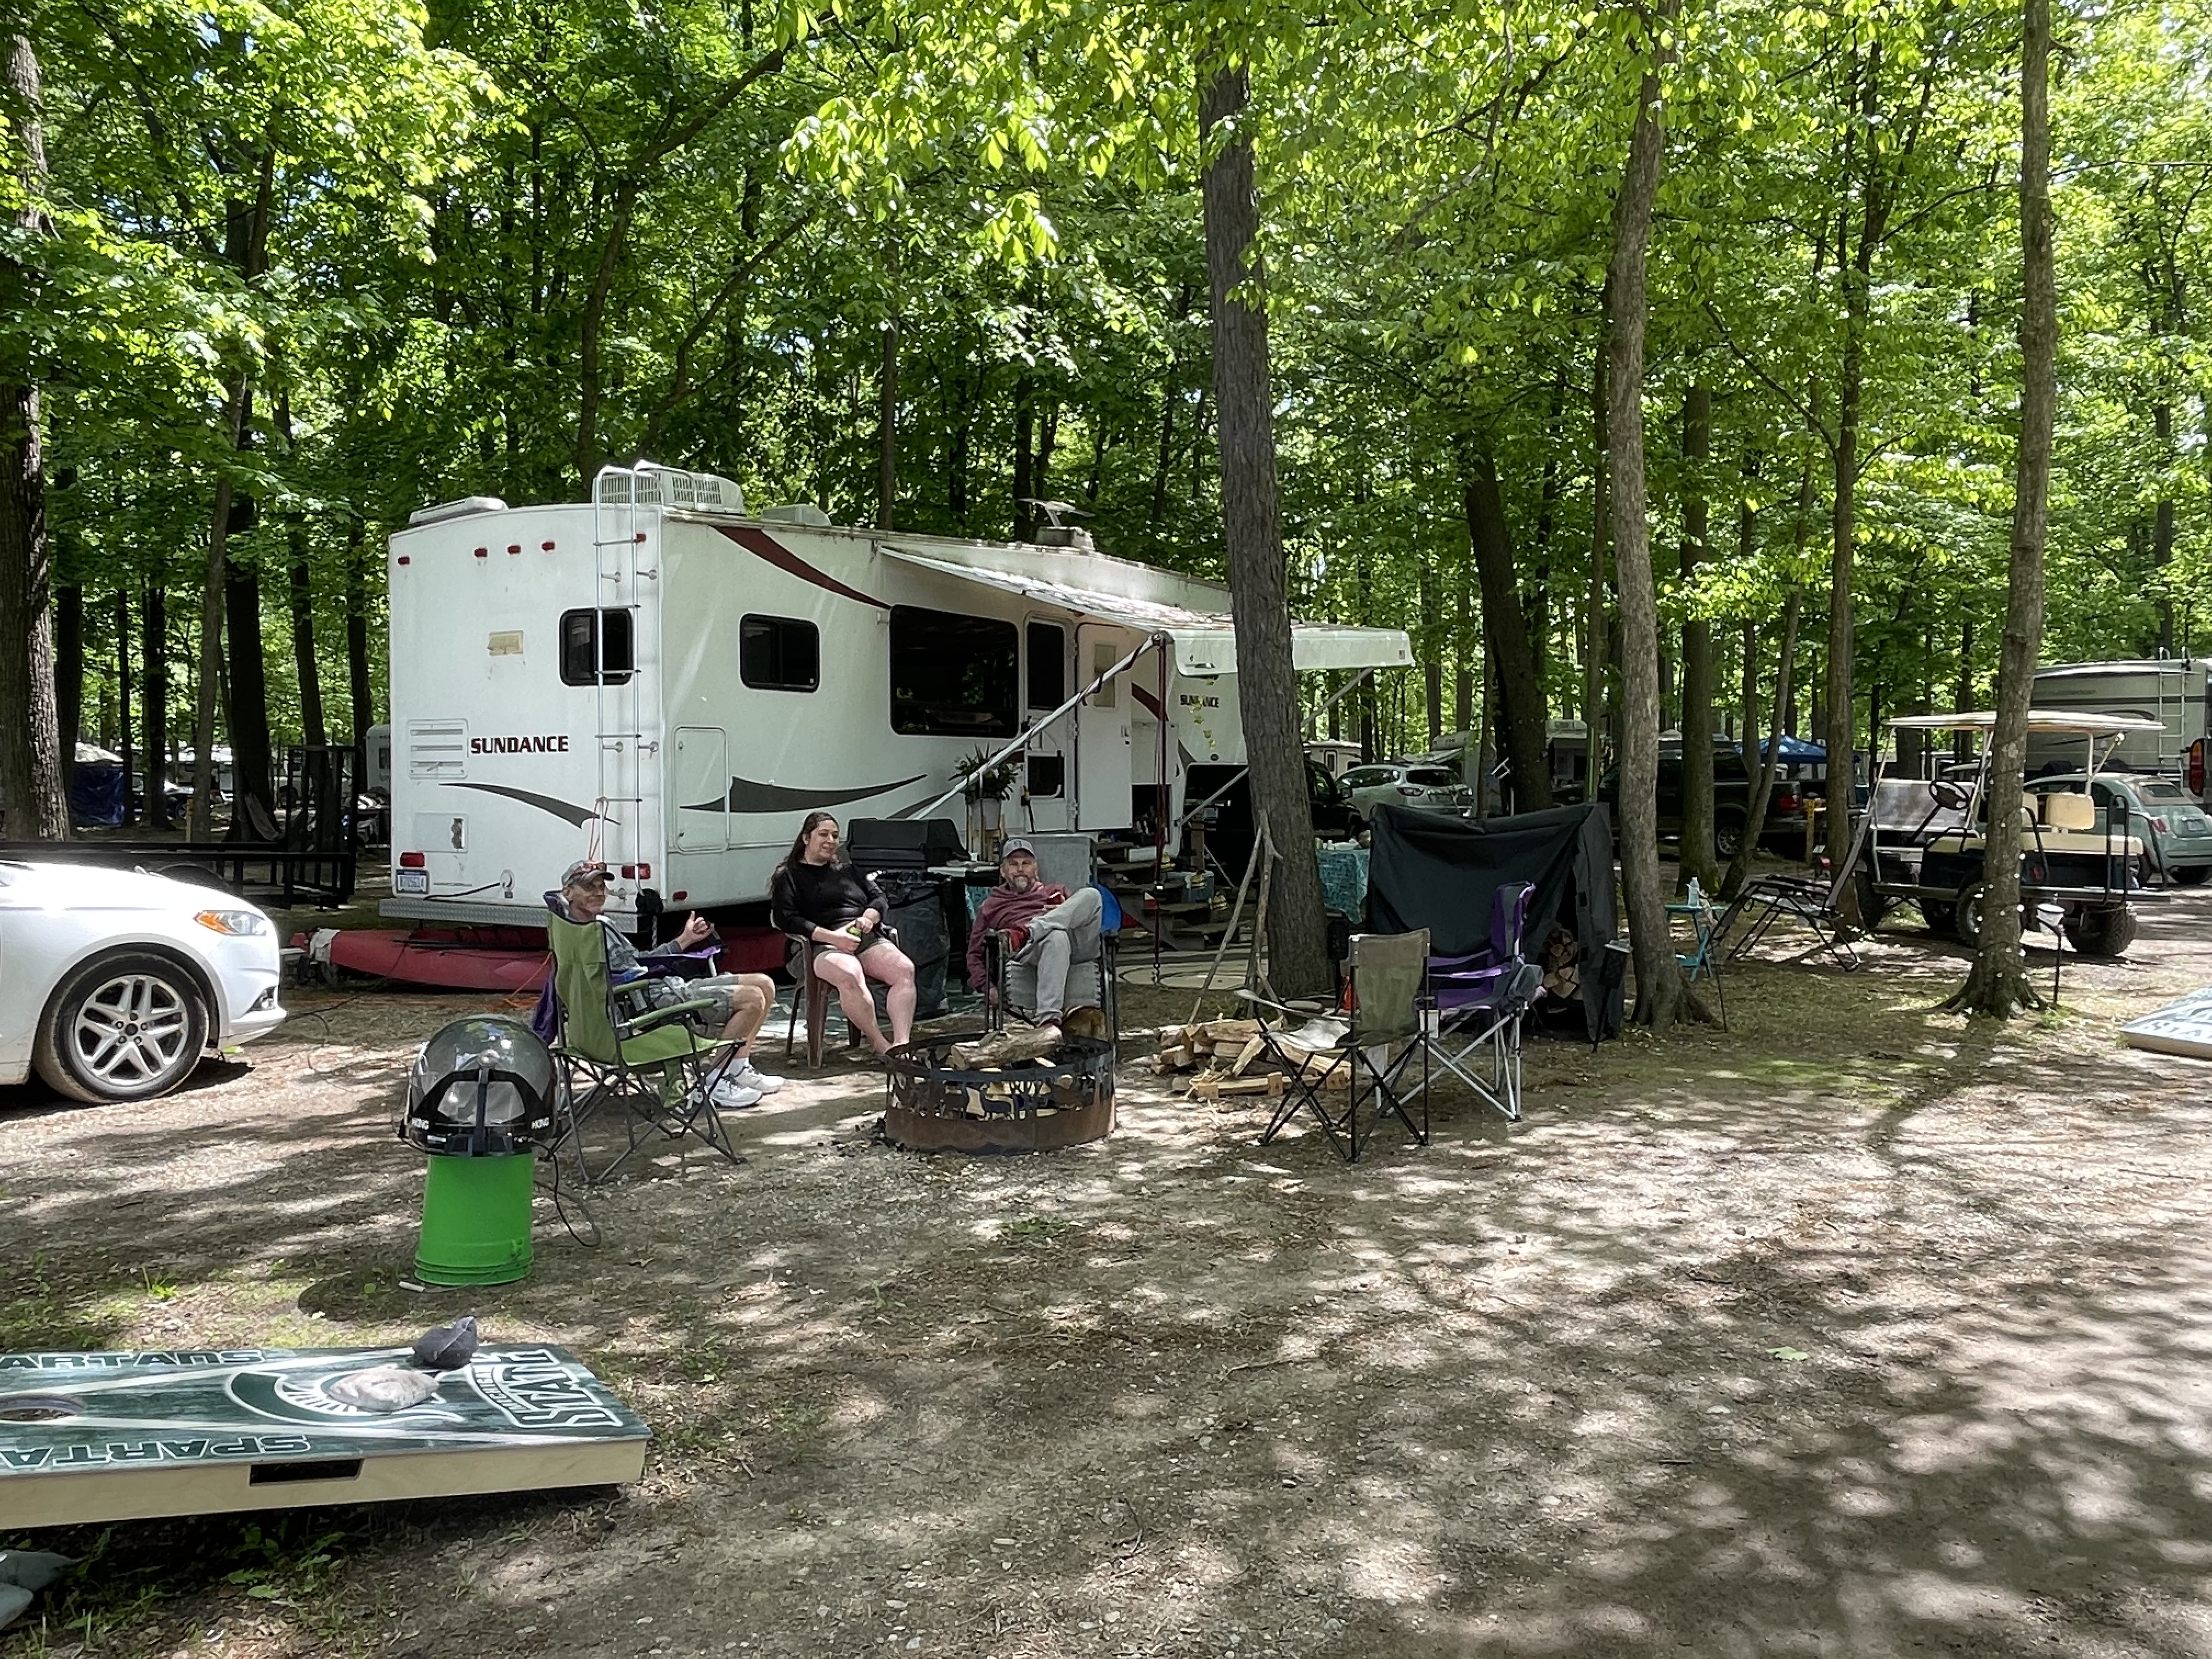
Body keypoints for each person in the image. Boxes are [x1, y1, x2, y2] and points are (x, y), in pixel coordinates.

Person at [548, 860, 785, 1108]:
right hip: (646, 1005)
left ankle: (737, 1068)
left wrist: (685, 940)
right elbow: (632, 976)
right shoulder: (592, 933)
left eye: (601, 887)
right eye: (589, 887)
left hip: (652, 991)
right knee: (752, 999)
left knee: (764, 984)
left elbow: (638, 962)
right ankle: (717, 1080)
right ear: (568, 892)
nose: (598, 893)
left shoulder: (579, 929)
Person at [768, 811, 917, 1058]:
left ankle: (902, 1046)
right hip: (817, 945)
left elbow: (880, 898)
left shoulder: (849, 871)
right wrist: (833, 938)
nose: (831, 841)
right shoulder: (789, 876)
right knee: (850, 973)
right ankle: (881, 1046)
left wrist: (868, 917)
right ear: (806, 838)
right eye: (823, 834)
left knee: (904, 970)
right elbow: (787, 920)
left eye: (835, 836)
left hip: (861, 936)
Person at [965, 836, 1103, 1043]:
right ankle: (1049, 1022)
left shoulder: (1055, 892)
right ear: (1003, 871)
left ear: (1036, 869)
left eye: (1026, 863)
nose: (1020, 869)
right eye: (1013, 864)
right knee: (1056, 936)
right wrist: (987, 987)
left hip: (1077, 945)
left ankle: (1026, 931)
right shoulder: (991, 906)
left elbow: (1081, 913)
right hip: (1033, 951)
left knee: (1092, 895)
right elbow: (974, 954)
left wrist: (1062, 910)